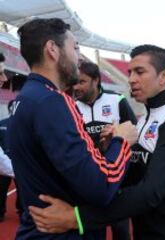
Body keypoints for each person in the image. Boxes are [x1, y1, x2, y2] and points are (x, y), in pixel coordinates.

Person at [29, 44, 165, 240]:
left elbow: (150, 193)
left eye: (139, 72)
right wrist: (112, 149)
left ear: (163, 76)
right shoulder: (146, 118)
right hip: (145, 230)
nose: (131, 80)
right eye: (130, 73)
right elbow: (135, 175)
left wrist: (76, 217)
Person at [6, 18, 137, 239]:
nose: (79, 57)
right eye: (75, 48)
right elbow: (101, 186)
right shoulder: (53, 101)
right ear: (52, 50)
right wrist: (121, 142)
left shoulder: (25, 98)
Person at [74, 61, 137, 240]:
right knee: (91, 230)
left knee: (121, 230)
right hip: (88, 179)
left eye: (82, 82)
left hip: (117, 179)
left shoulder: (117, 100)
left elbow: (133, 133)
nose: (76, 87)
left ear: (96, 80)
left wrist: (115, 140)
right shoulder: (73, 106)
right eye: (75, 82)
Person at [0, 100, 23, 222]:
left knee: (22, 189)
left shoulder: (23, 126)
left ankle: (22, 211)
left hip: (19, 161)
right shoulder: (1, 124)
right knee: (1, 189)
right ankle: (0, 212)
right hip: (3, 163)